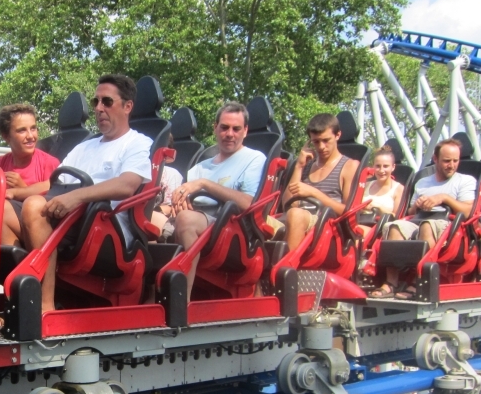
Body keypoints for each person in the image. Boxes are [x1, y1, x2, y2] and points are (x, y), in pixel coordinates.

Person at [18, 74, 152, 313]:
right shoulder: (84, 146)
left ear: (128, 106)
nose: (99, 109)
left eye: (107, 102)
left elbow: (127, 185)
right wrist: (12, 192)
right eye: (96, 102)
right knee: (2, 213)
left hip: (105, 228)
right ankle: (20, 299)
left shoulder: (137, 143)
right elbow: (54, 183)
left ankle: (44, 306)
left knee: (33, 207)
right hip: (70, 217)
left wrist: (76, 197)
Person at [170, 102, 266, 297]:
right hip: (194, 219)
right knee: (150, 221)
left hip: (231, 230)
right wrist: (176, 202)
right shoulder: (199, 167)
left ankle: (182, 300)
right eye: (224, 127)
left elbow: (248, 203)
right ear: (215, 128)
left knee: (186, 220)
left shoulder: (254, 159)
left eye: (236, 129)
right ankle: (148, 294)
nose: (229, 134)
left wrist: (205, 184)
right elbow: (186, 200)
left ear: (245, 131)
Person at [370, 139, 476, 299]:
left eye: (455, 161)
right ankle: (392, 282)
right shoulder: (422, 182)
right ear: (435, 159)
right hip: (418, 219)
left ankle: (419, 281)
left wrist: (444, 198)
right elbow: (410, 211)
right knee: (395, 226)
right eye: (447, 161)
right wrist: (418, 205)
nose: (452, 165)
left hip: (447, 223)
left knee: (427, 226)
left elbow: (467, 211)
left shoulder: (465, 181)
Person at [280, 114, 359, 253]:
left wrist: (313, 192)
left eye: (326, 140)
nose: (321, 147)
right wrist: (299, 166)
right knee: (261, 222)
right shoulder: (306, 166)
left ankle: (285, 269)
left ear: (338, 135)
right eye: (316, 142)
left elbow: (349, 212)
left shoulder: (349, 166)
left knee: (295, 215)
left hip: (329, 228)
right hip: (296, 219)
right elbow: (287, 204)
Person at [0, 104, 60, 247]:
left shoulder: (49, 163)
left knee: (3, 209)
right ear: (6, 136)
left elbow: (53, 202)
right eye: (22, 130)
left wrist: (22, 190)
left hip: (45, 229)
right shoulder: (1, 163)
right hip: (12, 229)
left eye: (33, 128)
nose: (31, 136)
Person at [362, 146, 404, 218]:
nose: (381, 170)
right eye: (378, 166)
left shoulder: (399, 189)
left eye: (385, 166)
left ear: (393, 167)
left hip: (382, 226)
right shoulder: (365, 185)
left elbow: (398, 218)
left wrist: (379, 208)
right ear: (373, 166)